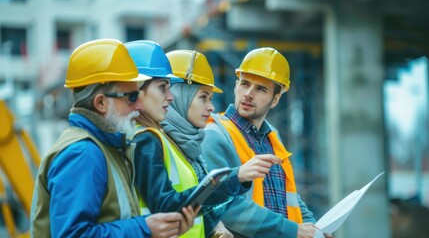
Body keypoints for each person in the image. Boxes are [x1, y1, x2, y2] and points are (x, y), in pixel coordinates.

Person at [30, 39, 198, 237]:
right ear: (101, 102)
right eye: (131, 97)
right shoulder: (82, 154)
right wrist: (144, 228)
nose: (140, 106)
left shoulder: (108, 148)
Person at [126, 41, 281, 238]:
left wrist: (215, 227)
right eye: (203, 98)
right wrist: (236, 176)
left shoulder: (179, 145)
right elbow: (167, 207)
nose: (211, 107)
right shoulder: (148, 140)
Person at [201, 47, 332, 238]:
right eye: (245, 84)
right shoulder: (214, 135)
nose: (248, 94)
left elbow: (290, 197)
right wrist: (293, 230)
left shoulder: (272, 137)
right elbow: (223, 205)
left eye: (261, 89)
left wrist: (312, 228)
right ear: (236, 85)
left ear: (275, 99)